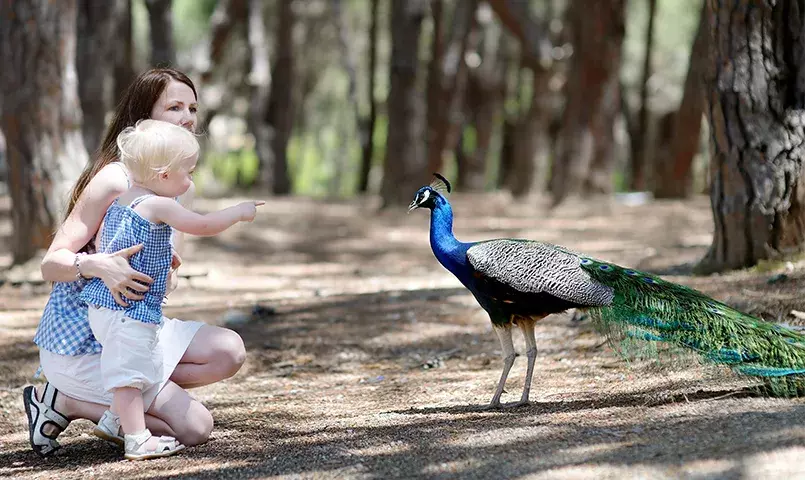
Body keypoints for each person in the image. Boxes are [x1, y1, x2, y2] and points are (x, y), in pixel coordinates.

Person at [22, 68, 248, 457]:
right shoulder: (114, 179)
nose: (188, 117)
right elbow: (51, 265)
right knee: (196, 427)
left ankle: (126, 396)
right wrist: (100, 265)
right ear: (144, 116)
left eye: (192, 107)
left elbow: (166, 280)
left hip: (136, 326)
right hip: (85, 338)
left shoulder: (179, 186)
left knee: (229, 350)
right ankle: (68, 400)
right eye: (174, 106)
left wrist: (168, 270)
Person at [78, 120, 262, 460]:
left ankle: (112, 418)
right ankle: (137, 439)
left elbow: (115, 245)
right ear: (163, 175)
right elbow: (203, 225)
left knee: (136, 364)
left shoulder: (123, 202)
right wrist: (238, 212)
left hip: (106, 308)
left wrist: (159, 256)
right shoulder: (158, 204)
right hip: (128, 312)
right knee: (130, 375)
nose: (190, 180)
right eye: (188, 172)